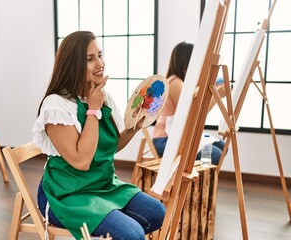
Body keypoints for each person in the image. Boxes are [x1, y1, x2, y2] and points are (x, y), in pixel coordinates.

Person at [32, 31, 165, 240]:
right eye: (90, 59)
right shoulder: (56, 105)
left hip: (102, 186)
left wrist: (134, 127)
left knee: (156, 213)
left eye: (100, 55)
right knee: (133, 234)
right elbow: (82, 161)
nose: (99, 63)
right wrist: (93, 110)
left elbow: (108, 147)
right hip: (67, 195)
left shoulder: (102, 96)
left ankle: (113, 225)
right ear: (73, 64)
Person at [152, 41, 227, 165]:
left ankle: (196, 182)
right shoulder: (175, 82)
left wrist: (215, 91)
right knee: (216, 154)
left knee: (222, 146)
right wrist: (217, 93)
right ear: (186, 61)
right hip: (165, 140)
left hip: (177, 136)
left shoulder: (181, 81)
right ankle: (194, 183)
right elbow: (195, 113)